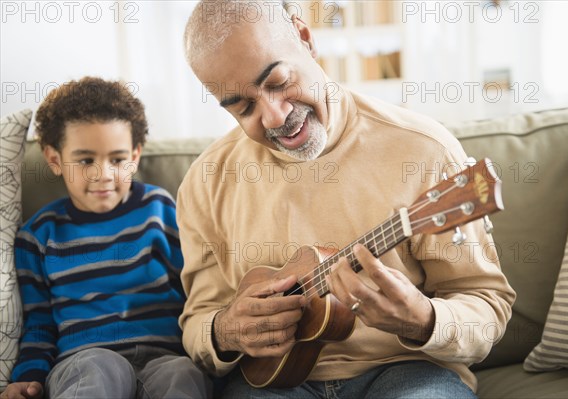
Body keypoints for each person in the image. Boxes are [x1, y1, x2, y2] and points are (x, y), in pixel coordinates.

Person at [178, 1, 516, 398]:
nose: (272, 116)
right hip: (273, 384)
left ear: (305, 38)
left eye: (279, 81)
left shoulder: (425, 150)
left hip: (407, 372)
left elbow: (487, 305)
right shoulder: (206, 181)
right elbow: (199, 321)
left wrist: (423, 319)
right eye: (243, 107)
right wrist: (226, 330)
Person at [1, 77, 212, 399]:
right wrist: (29, 377)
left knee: (181, 373)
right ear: (54, 159)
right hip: (83, 360)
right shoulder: (38, 236)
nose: (104, 174)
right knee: (101, 366)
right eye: (86, 160)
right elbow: (39, 323)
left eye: (117, 159)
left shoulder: (159, 209)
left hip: (163, 355)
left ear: (136, 155)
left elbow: (198, 288)